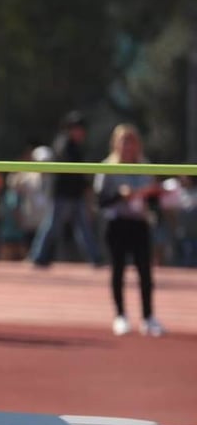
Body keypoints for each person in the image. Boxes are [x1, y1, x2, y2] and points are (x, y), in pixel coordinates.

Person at [94, 124, 164, 337]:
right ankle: (121, 315)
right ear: (115, 144)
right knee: (118, 270)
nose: (127, 146)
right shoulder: (107, 166)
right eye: (123, 141)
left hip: (139, 223)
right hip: (117, 224)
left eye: (131, 141)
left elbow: (154, 200)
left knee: (145, 271)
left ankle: (148, 317)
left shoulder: (145, 166)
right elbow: (100, 201)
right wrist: (120, 196)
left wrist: (152, 196)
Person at [29, 111, 102, 267]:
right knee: (52, 226)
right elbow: (71, 172)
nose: (80, 132)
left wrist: (85, 187)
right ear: (70, 129)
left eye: (81, 129)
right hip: (63, 194)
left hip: (75, 195)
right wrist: (85, 185)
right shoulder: (64, 145)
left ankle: (95, 258)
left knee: (83, 228)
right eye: (77, 128)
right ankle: (38, 256)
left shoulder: (77, 146)